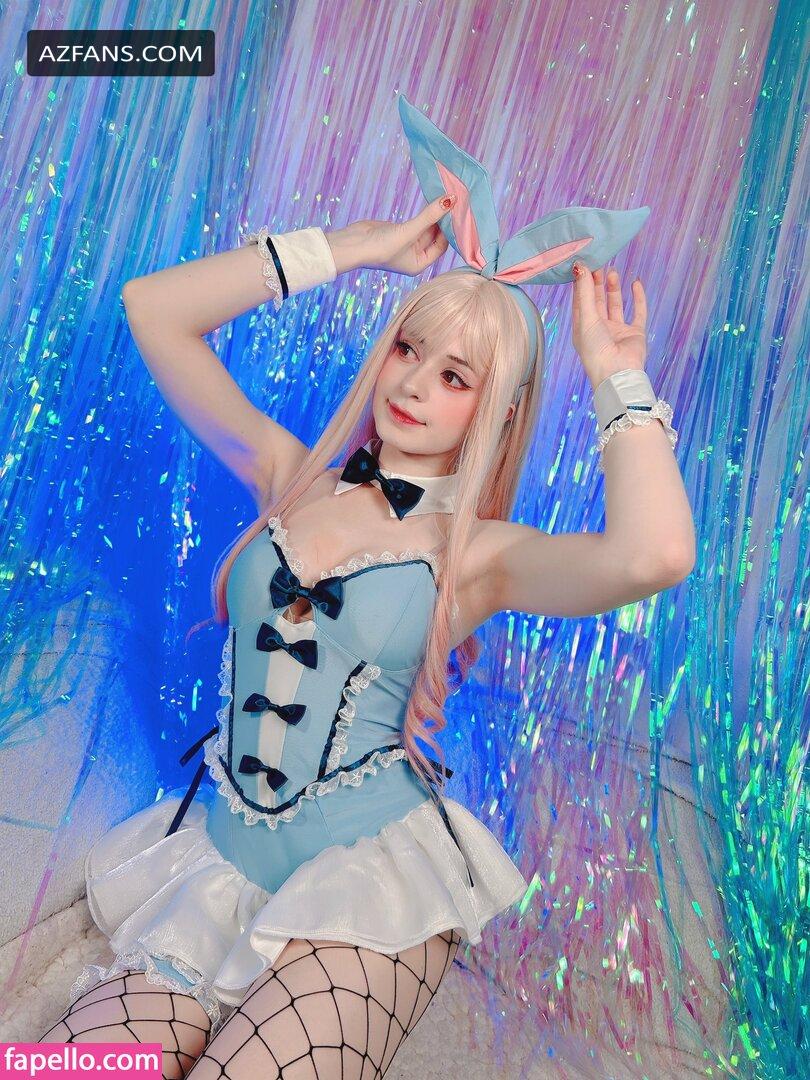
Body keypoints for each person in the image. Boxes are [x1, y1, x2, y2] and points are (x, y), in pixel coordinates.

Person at [39, 98, 695, 1078]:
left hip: (366, 887)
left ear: (497, 409)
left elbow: (654, 557)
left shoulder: (482, 554)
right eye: (407, 349)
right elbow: (153, 309)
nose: (416, 384)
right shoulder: (289, 474)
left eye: (457, 376)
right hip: (214, 865)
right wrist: (355, 247)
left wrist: (617, 379)